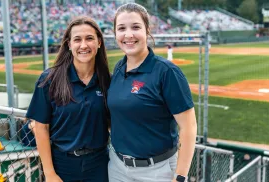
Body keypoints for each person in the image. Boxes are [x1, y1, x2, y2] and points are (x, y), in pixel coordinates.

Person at [107, 3, 197, 182]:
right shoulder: (118, 68)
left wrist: (180, 177)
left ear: (147, 30)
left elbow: (189, 127)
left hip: (156, 171)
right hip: (117, 168)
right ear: (115, 33)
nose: (128, 34)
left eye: (135, 27)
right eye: (121, 28)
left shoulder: (167, 72)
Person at [26, 16, 111, 182]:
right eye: (77, 39)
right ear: (69, 44)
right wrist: (50, 173)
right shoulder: (49, 80)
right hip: (62, 165)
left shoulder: (108, 81)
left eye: (89, 38)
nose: (83, 45)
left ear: (99, 42)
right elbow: (41, 128)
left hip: (100, 164)